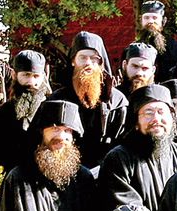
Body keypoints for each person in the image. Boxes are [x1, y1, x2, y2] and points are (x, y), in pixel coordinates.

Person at [100, 84, 177, 211]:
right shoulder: (118, 159)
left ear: (172, 119)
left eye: (161, 112)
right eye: (148, 113)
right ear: (136, 123)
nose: (156, 119)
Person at [49, 32, 128, 168]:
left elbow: (122, 145)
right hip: (65, 169)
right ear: (73, 61)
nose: (88, 63)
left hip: (107, 170)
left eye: (94, 58)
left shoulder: (117, 102)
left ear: (101, 63)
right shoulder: (56, 100)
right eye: (82, 57)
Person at [0, 50, 50, 171]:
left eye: (36, 76)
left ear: (43, 77)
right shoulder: (1, 115)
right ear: (14, 74)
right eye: (26, 75)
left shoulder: (50, 111)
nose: (31, 82)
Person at [136, 0, 177, 84]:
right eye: (146, 18)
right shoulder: (132, 49)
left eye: (155, 18)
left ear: (163, 21)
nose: (150, 21)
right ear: (141, 21)